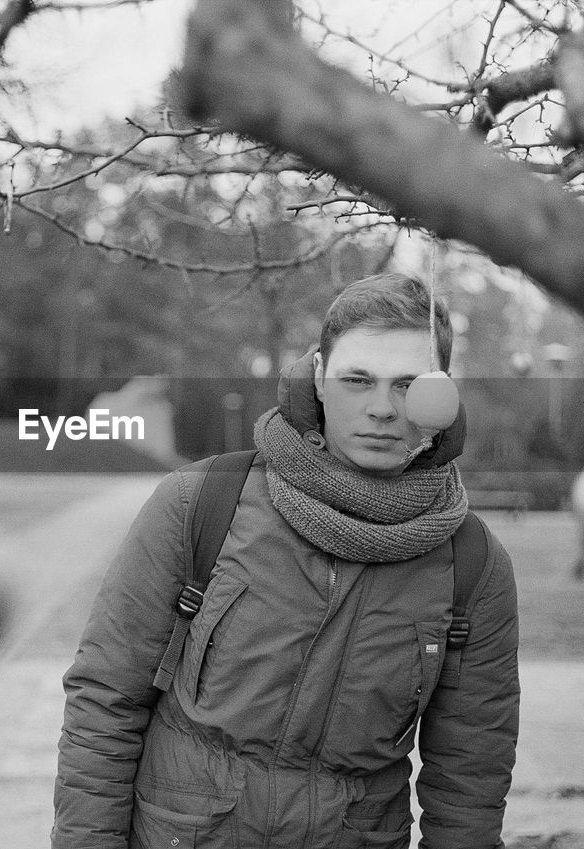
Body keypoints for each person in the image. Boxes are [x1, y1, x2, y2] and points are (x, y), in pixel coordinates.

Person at [53, 273, 520, 849]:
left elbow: (471, 772)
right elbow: (106, 702)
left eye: (407, 385)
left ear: (440, 393)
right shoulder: (201, 504)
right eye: (357, 380)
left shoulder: (471, 562)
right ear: (320, 377)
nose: (381, 409)